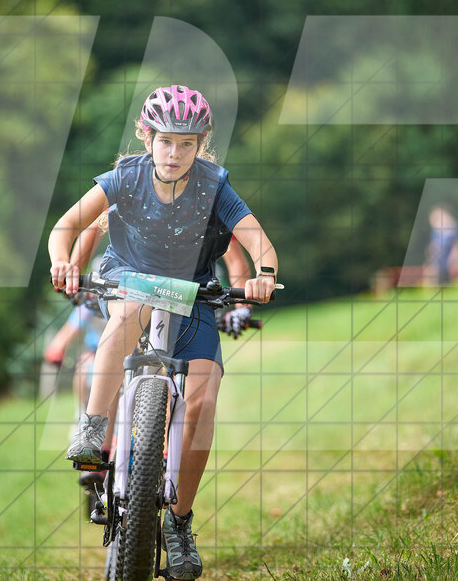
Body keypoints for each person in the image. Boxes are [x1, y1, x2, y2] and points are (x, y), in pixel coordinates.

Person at [48, 85, 278, 580]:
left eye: (188, 144)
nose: (175, 154)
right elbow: (66, 226)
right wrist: (62, 262)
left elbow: (258, 241)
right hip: (130, 282)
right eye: (167, 141)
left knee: (202, 402)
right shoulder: (124, 179)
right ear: (146, 136)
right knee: (125, 315)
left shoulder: (214, 187)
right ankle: (92, 431)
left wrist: (262, 275)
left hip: (194, 296)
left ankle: (179, 523)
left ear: (202, 146)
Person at [424, 205, 458, 286]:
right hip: (436, 265)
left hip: (449, 263)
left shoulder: (454, 228)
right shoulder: (435, 231)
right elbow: (433, 246)